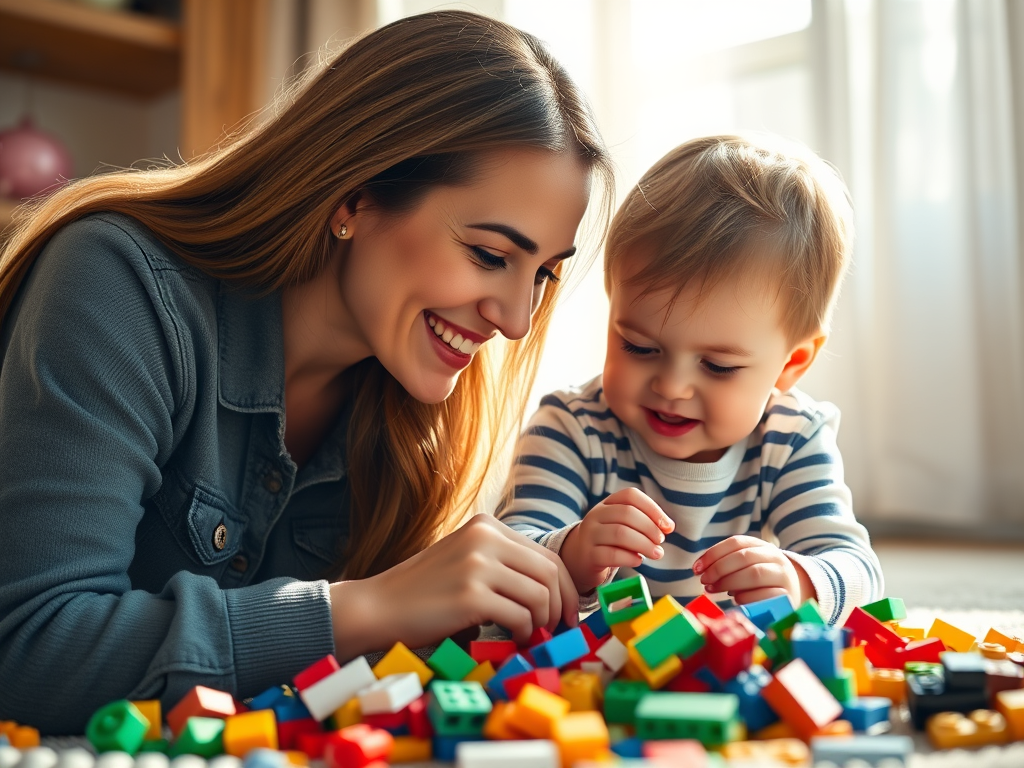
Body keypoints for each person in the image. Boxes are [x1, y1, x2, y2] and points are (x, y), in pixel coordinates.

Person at [0, 11, 613, 733]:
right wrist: (365, 607)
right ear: (354, 197)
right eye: (489, 255)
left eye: (541, 273)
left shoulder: (417, 410)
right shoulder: (118, 286)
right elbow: (28, 650)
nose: (515, 319)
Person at [497, 134, 884, 626]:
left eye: (718, 366)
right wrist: (570, 551)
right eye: (639, 347)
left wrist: (800, 580)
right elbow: (511, 551)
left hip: (726, 667)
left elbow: (859, 571)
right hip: (605, 669)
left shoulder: (791, 438)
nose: (672, 387)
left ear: (790, 365)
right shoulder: (571, 428)